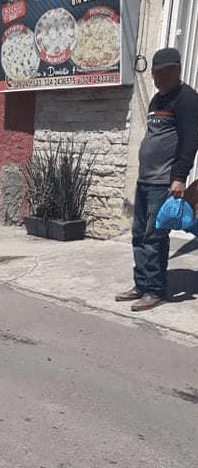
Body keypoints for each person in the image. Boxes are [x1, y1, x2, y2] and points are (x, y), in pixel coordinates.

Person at [115, 47, 198, 311]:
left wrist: (179, 177)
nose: (160, 78)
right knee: (139, 235)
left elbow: (189, 142)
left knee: (154, 237)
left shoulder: (187, 99)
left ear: (177, 70)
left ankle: (154, 290)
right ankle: (141, 284)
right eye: (156, 73)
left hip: (164, 183)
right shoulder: (156, 101)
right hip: (145, 180)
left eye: (166, 73)